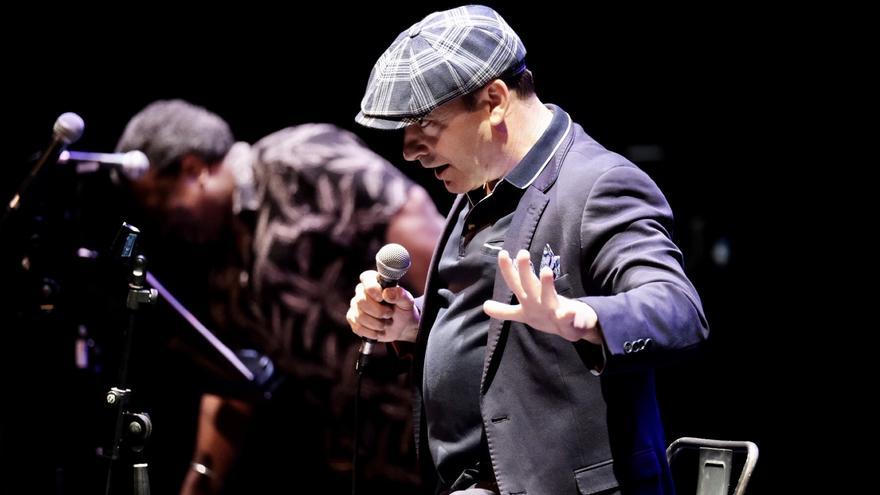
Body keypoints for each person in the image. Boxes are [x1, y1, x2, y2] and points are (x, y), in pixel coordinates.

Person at [346, 5, 710, 495]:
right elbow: (492, 327)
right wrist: (414, 325)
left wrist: (587, 317)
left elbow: (678, 308)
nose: (409, 150)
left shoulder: (598, 185)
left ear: (495, 99)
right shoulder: (476, 187)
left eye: (424, 124)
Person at [115, 99, 444, 494]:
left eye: (159, 202)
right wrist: (201, 482)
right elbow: (236, 381)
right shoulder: (219, 256)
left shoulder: (297, 159)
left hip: (438, 429)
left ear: (193, 169)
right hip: (363, 461)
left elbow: (421, 232)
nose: (161, 221)